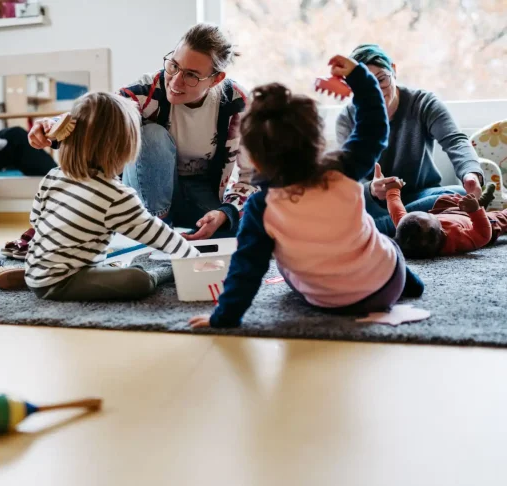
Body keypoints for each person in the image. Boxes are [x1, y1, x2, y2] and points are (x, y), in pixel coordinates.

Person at [190, 55, 424, 329]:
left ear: (254, 159)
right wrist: (360, 78)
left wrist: (223, 318)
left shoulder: (261, 208)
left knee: (282, 264)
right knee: (386, 243)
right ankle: (411, 283)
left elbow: (246, 269)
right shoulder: (343, 169)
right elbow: (374, 126)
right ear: (317, 140)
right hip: (387, 286)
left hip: (327, 301)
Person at [29, 23, 256, 240]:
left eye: (191, 75)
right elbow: (99, 115)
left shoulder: (239, 104)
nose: (175, 82)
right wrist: (55, 125)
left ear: (216, 79)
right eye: (174, 66)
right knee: (151, 136)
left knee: (241, 231)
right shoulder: (149, 89)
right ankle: (152, 232)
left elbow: (253, 176)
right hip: (148, 195)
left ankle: (167, 235)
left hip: (201, 195)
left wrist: (225, 213)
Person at [1, 92, 199, 300]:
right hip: (66, 281)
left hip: (38, 268)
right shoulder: (115, 195)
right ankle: (158, 274)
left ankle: (36, 277)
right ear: (124, 146)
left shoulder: (54, 175)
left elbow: (36, 220)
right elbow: (157, 234)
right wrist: (192, 256)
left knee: (101, 265)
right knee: (137, 279)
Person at [336, 44, 484, 236]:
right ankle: (411, 225)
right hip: (377, 204)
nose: (377, 92)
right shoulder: (346, 118)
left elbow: (455, 141)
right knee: (342, 210)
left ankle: (383, 229)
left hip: (422, 194)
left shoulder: (423, 103)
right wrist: (371, 189)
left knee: (460, 196)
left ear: (394, 71)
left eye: (381, 80)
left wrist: (471, 174)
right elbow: (346, 180)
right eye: (365, 86)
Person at [387, 181, 505, 258]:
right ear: (442, 231)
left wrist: (392, 190)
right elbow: (483, 234)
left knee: (443, 201)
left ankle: (478, 202)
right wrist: (475, 212)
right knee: (501, 218)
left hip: (452, 212)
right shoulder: (459, 240)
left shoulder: (406, 228)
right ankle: (477, 206)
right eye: (432, 217)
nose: (428, 212)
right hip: (479, 223)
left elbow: (397, 210)